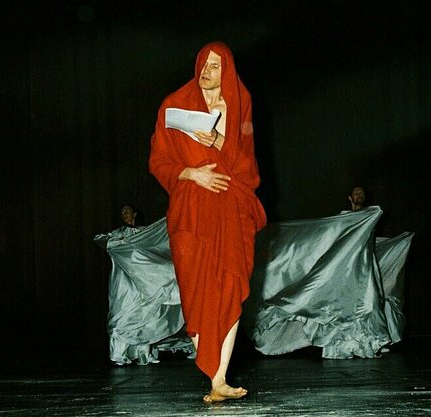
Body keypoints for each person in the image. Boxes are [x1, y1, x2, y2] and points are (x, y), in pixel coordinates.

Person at [149, 41, 267, 403]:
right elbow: (158, 161)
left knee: (231, 287)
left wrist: (218, 141)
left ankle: (219, 381)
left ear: (226, 70)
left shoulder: (240, 105)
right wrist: (190, 174)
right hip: (190, 211)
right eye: (203, 63)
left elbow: (248, 169)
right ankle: (211, 368)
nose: (207, 71)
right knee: (195, 292)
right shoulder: (174, 104)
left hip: (231, 211)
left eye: (215, 65)